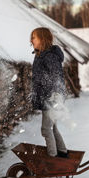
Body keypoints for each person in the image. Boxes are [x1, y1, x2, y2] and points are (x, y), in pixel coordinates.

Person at [30, 27, 68, 158]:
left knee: (46, 129)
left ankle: (53, 158)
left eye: (34, 37)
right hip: (49, 97)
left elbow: (56, 77)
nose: (31, 40)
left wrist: (54, 96)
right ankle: (62, 152)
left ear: (42, 38)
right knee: (53, 128)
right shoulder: (41, 55)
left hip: (52, 98)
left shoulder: (49, 56)